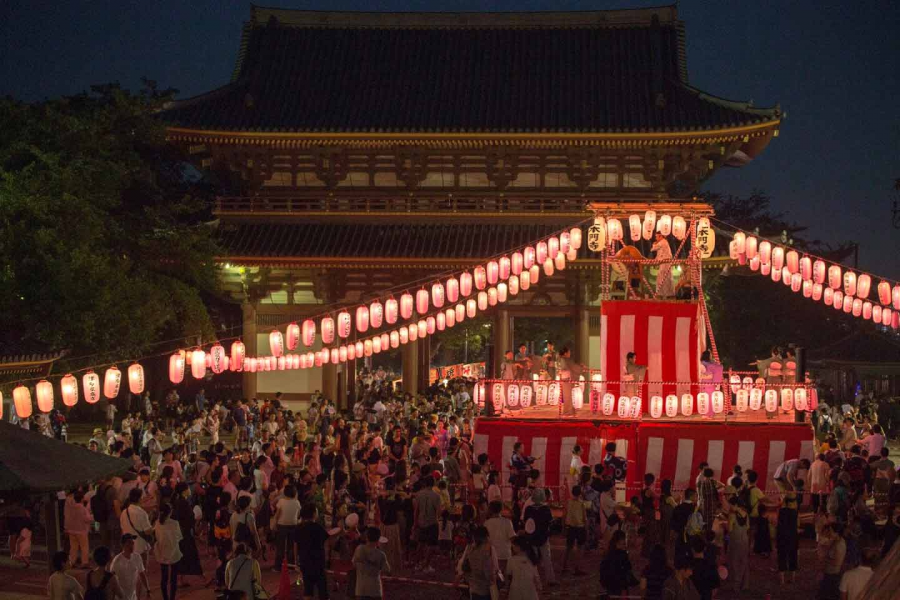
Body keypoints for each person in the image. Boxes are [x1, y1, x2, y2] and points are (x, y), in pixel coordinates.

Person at [296, 504, 330, 600]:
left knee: (308, 588)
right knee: (322, 588)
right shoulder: (318, 527)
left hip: (304, 561)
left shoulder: (299, 528)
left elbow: (295, 545)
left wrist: (296, 561)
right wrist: (327, 558)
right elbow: (326, 543)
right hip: (318, 561)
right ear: (314, 514)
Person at [153, 503, 182, 600]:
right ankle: (172, 598)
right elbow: (179, 537)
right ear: (170, 512)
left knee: (164, 578)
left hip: (162, 553)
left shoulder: (157, 523)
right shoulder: (175, 523)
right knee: (173, 578)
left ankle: (165, 598)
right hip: (174, 552)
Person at [353, 526, 390, 600]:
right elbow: (387, 570)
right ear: (379, 539)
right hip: (375, 590)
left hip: (361, 590)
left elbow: (354, 564)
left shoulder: (359, 549)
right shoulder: (381, 554)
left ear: (366, 537)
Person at [414, 475, 442, 573]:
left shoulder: (419, 494)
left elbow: (416, 511)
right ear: (433, 483)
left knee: (420, 544)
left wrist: (415, 523)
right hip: (432, 523)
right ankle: (426, 565)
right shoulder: (436, 496)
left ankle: (417, 564)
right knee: (431, 545)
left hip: (421, 521)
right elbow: (439, 512)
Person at [459, 526, 495, 600]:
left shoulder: (470, 549)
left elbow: (464, 566)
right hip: (485, 588)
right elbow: (488, 572)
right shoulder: (486, 551)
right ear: (486, 536)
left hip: (473, 585)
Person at [110, 534, 149, 600]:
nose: (132, 545)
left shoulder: (137, 557)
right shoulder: (117, 561)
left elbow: (142, 574)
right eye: (129, 542)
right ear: (122, 545)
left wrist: (148, 590)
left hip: (133, 597)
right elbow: (111, 580)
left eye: (132, 543)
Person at [119, 489, 153, 563]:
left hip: (127, 546)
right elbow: (147, 531)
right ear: (139, 498)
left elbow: (122, 530)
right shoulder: (141, 513)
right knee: (141, 570)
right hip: (140, 546)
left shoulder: (124, 512)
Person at [725, 496, 750, 592]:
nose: (730, 507)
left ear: (735, 505)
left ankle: (736, 585)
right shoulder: (746, 514)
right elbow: (747, 527)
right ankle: (745, 584)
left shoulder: (732, 516)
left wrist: (725, 524)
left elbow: (730, 530)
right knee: (744, 562)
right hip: (745, 540)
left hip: (735, 541)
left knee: (734, 563)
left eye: (731, 505)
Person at [599, 530, 636, 597]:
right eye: (623, 544)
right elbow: (628, 568)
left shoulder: (608, 553)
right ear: (617, 543)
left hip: (609, 583)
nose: (625, 545)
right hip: (619, 583)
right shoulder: (622, 554)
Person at [273, 484, 301, 569]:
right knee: (291, 546)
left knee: (280, 546)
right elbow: (298, 515)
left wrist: (274, 524)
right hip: (293, 525)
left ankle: (278, 566)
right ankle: (291, 565)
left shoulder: (281, 501)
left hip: (282, 525)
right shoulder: (297, 502)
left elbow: (277, 515)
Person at [817, 522, 847, 600]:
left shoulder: (839, 544)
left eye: (830, 530)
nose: (829, 532)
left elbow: (837, 562)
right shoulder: (835, 541)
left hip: (833, 575)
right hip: (829, 572)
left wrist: (824, 559)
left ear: (836, 532)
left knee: (827, 595)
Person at [64, 490, 93, 569]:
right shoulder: (82, 508)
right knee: (84, 547)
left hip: (72, 530)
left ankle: (72, 561)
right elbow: (87, 519)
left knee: (73, 547)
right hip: (81, 531)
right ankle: (85, 562)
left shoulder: (72, 508)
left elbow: (68, 518)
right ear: (82, 498)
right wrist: (92, 516)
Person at [562, 485, 587, 575]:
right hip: (580, 527)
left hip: (570, 527)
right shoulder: (581, 503)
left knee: (568, 548)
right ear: (580, 493)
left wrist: (563, 527)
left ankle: (565, 566)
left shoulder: (568, 502)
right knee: (580, 548)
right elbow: (585, 518)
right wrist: (587, 528)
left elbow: (564, 515)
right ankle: (577, 567)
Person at [484, 501, 515, 574]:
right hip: (505, 554)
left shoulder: (486, 523)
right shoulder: (507, 522)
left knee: (494, 577)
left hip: (492, 555)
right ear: (501, 509)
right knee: (505, 577)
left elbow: (486, 540)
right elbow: (512, 538)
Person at [557, 346, 585, 417]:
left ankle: (570, 411)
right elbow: (574, 367)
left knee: (567, 396)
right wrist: (581, 367)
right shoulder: (565, 360)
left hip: (564, 378)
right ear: (565, 353)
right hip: (567, 379)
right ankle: (568, 412)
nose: (570, 354)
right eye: (569, 352)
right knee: (568, 396)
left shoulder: (561, 359)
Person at [652, 230, 674, 297]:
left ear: (660, 236)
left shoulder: (663, 241)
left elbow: (654, 248)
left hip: (665, 262)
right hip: (664, 262)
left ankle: (663, 294)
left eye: (656, 236)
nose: (656, 238)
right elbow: (659, 253)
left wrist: (654, 244)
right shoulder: (663, 242)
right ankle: (664, 294)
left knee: (663, 278)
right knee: (664, 277)